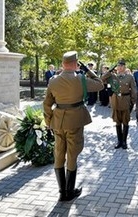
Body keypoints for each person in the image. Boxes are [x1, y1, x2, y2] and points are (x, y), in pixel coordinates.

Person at [43, 51, 104, 201]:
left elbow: (47, 104)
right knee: (72, 154)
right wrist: (89, 70)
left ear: (63, 64)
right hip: (75, 121)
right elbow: (100, 85)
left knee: (58, 153)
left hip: (58, 121)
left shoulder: (53, 80)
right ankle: (69, 192)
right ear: (76, 63)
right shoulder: (81, 79)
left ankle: (62, 192)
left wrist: (48, 121)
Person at [102, 60, 137, 149]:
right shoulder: (112, 77)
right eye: (118, 66)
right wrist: (109, 71)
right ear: (116, 68)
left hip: (125, 100)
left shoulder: (129, 77)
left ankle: (124, 141)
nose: (120, 68)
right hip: (116, 100)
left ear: (125, 67)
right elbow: (101, 79)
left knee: (125, 122)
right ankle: (119, 141)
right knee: (117, 122)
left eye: (122, 66)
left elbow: (133, 90)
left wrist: (133, 102)